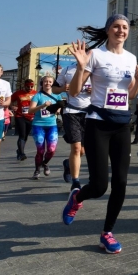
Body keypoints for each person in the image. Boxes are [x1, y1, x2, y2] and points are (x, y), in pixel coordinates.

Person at [61, 14, 138, 255]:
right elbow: (74, 91)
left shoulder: (131, 58)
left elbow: (129, 95)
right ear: (108, 30)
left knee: (121, 183)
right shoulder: (96, 55)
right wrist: (80, 67)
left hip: (121, 125)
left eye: (125, 27)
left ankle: (107, 232)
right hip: (97, 124)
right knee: (99, 187)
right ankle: (77, 198)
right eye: (116, 26)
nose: (121, 30)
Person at [55, 62, 91, 190]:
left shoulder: (95, 69)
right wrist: (62, 88)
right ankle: (75, 182)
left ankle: (68, 164)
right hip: (71, 112)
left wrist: (94, 90)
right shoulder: (67, 70)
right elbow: (54, 89)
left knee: (82, 150)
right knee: (76, 148)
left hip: (89, 113)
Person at [28, 75, 64, 179]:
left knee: (51, 150)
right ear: (42, 83)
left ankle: (44, 163)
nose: (47, 83)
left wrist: (58, 110)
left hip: (51, 125)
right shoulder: (37, 96)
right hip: (38, 125)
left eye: (50, 81)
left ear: (53, 83)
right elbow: (30, 110)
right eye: (45, 81)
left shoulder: (57, 95)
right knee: (40, 150)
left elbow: (61, 105)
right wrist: (43, 105)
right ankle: (37, 170)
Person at [10, 78, 37, 160]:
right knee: (22, 135)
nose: (30, 88)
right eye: (28, 86)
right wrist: (12, 106)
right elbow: (9, 100)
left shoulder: (36, 93)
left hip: (31, 117)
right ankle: (22, 153)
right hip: (20, 116)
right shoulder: (18, 93)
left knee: (25, 135)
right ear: (24, 86)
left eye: (31, 86)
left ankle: (19, 150)